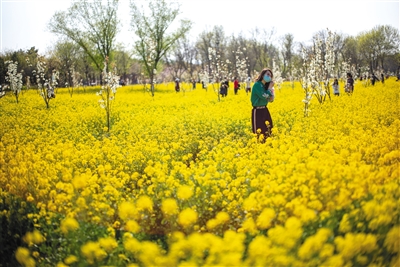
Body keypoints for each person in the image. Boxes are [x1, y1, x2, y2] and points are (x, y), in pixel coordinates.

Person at [251, 68, 274, 141]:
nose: (269, 76)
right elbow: (264, 96)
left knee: (269, 130)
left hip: (265, 109)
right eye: (267, 74)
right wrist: (270, 89)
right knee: (258, 132)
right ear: (262, 75)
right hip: (257, 111)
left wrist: (270, 90)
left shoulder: (265, 87)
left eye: (270, 75)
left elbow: (271, 99)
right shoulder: (257, 85)